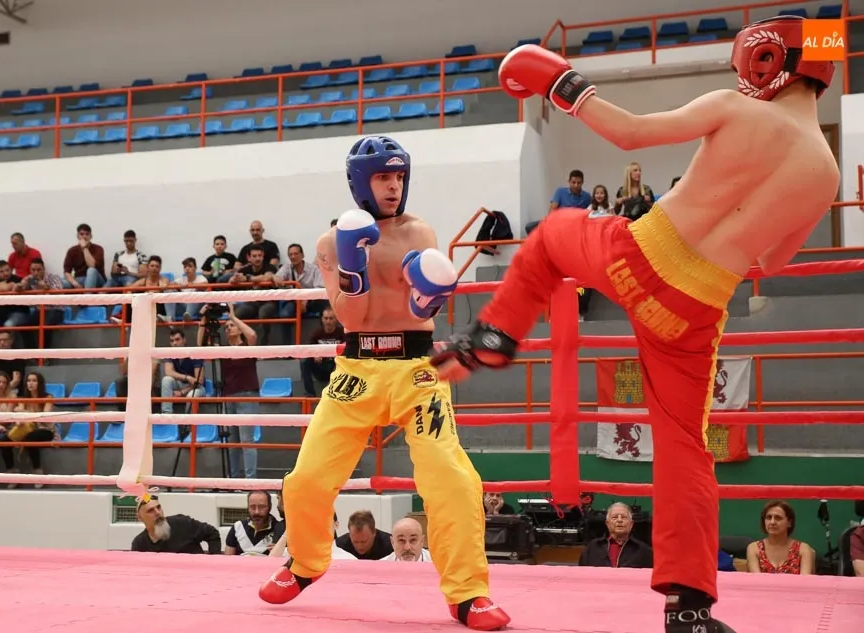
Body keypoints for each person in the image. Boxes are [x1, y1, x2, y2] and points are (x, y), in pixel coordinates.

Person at [431, 15, 839, 633]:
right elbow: (773, 261)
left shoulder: (735, 108)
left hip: (638, 254)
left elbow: (629, 134)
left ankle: (494, 335)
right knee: (684, 450)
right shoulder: (828, 174)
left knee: (554, 236)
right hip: (696, 309)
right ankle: (689, 608)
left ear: (763, 62)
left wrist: (560, 82)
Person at [258, 135, 510, 631]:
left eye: (398, 177)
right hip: (356, 370)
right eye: (382, 177)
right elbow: (351, 316)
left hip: (418, 370)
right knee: (307, 478)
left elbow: (428, 309)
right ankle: (304, 564)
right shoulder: (333, 242)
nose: (393, 187)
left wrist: (425, 300)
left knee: (451, 477)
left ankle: (468, 594)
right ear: (360, 182)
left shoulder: (421, 232)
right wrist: (354, 268)